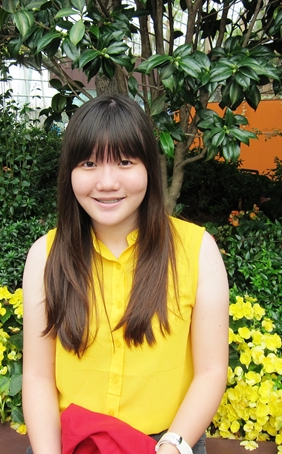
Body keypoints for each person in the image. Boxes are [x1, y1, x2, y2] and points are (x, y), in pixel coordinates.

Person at [21, 95, 229, 454]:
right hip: (73, 444)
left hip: (167, 442)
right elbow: (38, 376)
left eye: (124, 162)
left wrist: (172, 447)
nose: (107, 182)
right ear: (69, 172)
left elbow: (211, 372)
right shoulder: (46, 255)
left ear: (148, 167)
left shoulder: (197, 251)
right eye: (89, 163)